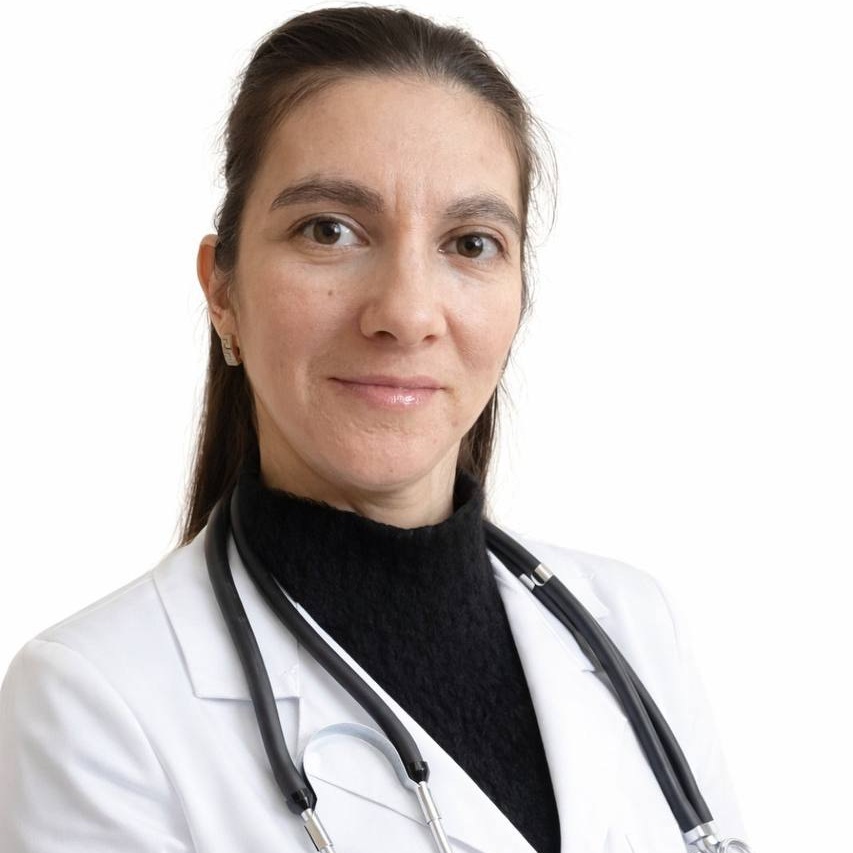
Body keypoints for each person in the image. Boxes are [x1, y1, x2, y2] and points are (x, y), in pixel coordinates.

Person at [0, 7, 749, 853]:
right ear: (223, 293)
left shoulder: (631, 624)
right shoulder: (96, 702)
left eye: (470, 243)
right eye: (329, 230)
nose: (406, 311)